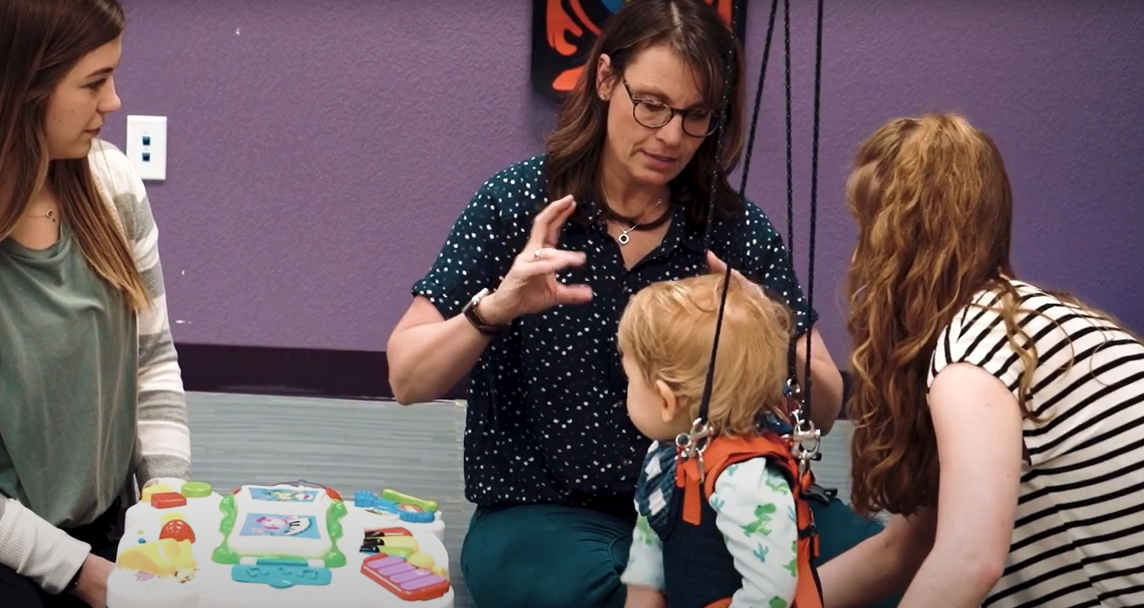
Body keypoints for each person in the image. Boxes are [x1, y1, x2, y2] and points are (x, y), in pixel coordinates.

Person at [387, 0, 880, 605]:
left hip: (717, 490)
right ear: (604, 80)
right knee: (589, 587)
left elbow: (824, 408)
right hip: (551, 512)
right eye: (651, 105)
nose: (671, 136)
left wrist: (772, 332)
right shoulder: (518, 202)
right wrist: (495, 308)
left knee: (873, 560)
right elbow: (406, 377)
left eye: (695, 116)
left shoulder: (734, 229)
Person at [817, 112, 1144, 608]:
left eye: (869, 231)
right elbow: (902, 548)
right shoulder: (1027, 324)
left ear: (900, 242)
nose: (860, 256)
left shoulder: (973, 349)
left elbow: (969, 560)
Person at [0, 1, 191, 607]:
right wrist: (80, 573)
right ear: (22, 87)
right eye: (92, 82)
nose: (112, 102)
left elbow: (153, 358)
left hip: (108, 528)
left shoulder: (111, 183)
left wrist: (165, 508)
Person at [616, 273, 822, 608]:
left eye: (630, 381)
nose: (626, 391)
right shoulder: (667, 454)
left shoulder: (745, 480)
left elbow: (771, 591)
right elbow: (649, 542)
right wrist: (642, 592)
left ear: (667, 401)